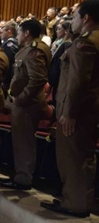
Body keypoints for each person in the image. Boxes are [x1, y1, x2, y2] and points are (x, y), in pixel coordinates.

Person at [41, 1, 99, 218]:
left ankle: (74, 204)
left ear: (85, 18)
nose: (71, 21)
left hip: (77, 111)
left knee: (73, 158)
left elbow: (77, 82)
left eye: (74, 16)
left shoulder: (85, 44)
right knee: (82, 157)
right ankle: (76, 199)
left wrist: (69, 113)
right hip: (88, 110)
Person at [0, 19, 51, 191]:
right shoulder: (28, 49)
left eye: (19, 32)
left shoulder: (35, 50)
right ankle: (21, 175)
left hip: (28, 104)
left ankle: (24, 179)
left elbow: (38, 79)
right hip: (24, 103)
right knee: (20, 141)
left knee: (24, 142)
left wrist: (21, 98)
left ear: (27, 33)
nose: (18, 36)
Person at [48, 21, 73, 105]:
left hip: (60, 79)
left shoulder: (67, 44)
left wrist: (52, 80)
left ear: (66, 31)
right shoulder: (58, 42)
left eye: (59, 29)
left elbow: (58, 65)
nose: (57, 31)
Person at [0, 21, 20, 97]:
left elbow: (8, 63)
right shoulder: (12, 42)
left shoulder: (9, 44)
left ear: (9, 32)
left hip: (8, 80)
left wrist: (5, 80)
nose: (0, 32)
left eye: (2, 29)